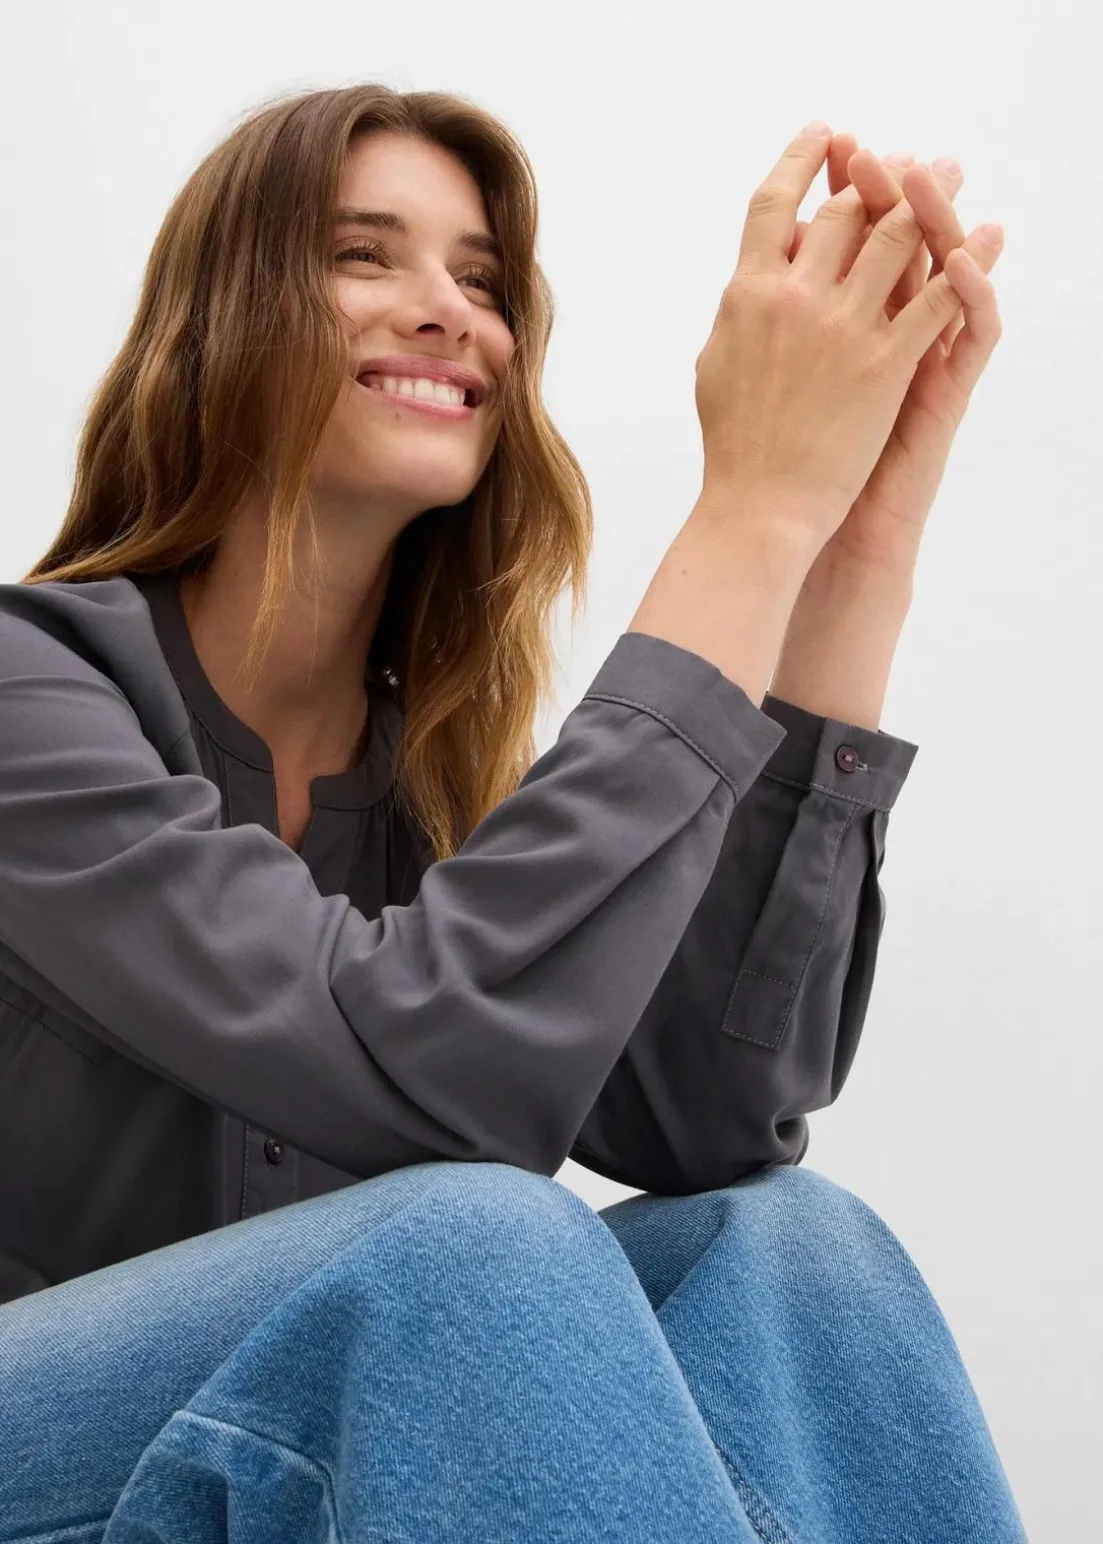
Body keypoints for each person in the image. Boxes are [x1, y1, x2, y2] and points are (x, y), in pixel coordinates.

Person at [0, 85, 1027, 1540]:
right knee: (473, 1241)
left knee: (793, 1247)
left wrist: (853, 541)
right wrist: (750, 509)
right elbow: (430, 1083)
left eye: (482, 282)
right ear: (219, 320)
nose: (449, 313)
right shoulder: (24, 699)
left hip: (266, 1466)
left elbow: (701, 1121)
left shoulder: (439, 801)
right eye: (363, 255)